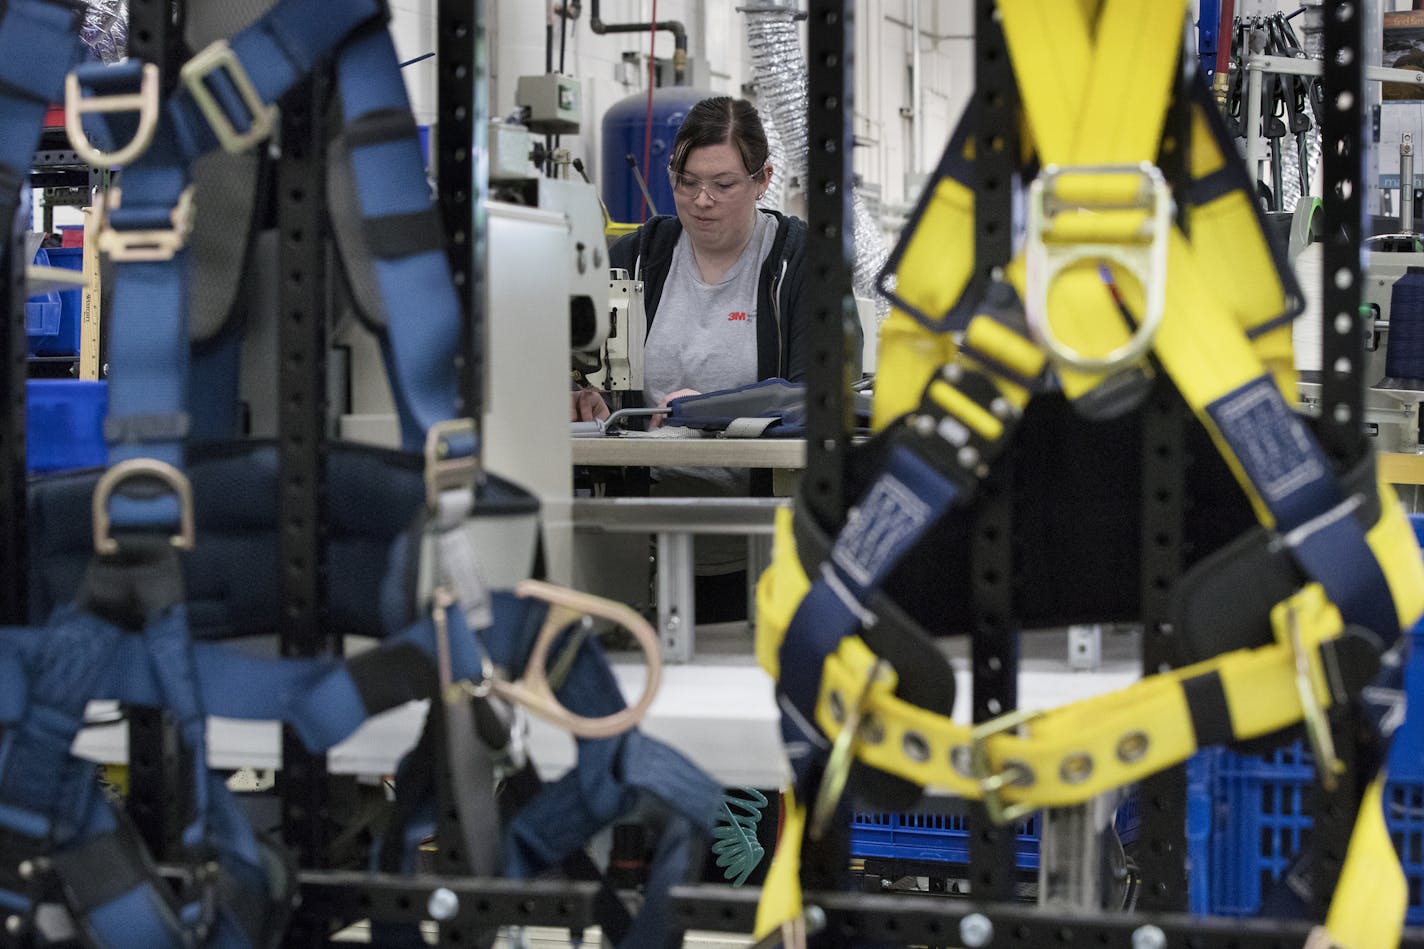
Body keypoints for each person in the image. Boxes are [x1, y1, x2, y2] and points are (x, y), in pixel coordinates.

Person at [590, 94, 862, 622]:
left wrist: (718, 411)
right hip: (641, 547)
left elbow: (816, 398)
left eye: (722, 184)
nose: (701, 200)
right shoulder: (637, 257)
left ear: (763, 180)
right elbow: (596, 366)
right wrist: (586, 394)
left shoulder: (803, 261)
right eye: (686, 182)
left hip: (762, 550)